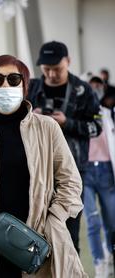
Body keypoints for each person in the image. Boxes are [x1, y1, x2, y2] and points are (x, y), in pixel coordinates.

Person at [0, 55, 86, 277]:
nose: (5, 85)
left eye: (13, 79)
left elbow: (70, 181)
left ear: (25, 85)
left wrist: (54, 219)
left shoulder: (47, 128)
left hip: (38, 239)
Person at [27, 41, 102, 253]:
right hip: (35, 171)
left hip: (71, 174)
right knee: (33, 234)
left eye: (57, 69)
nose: (51, 74)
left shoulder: (83, 90)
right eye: (46, 69)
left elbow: (97, 127)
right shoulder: (31, 88)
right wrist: (31, 118)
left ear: (68, 62)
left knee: (69, 235)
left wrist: (67, 123)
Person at [83, 77, 115, 278]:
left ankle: (110, 253)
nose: (95, 90)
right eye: (91, 87)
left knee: (112, 222)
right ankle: (98, 263)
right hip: (85, 172)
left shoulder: (108, 115)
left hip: (106, 173)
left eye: (98, 86)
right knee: (92, 221)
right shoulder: (78, 116)